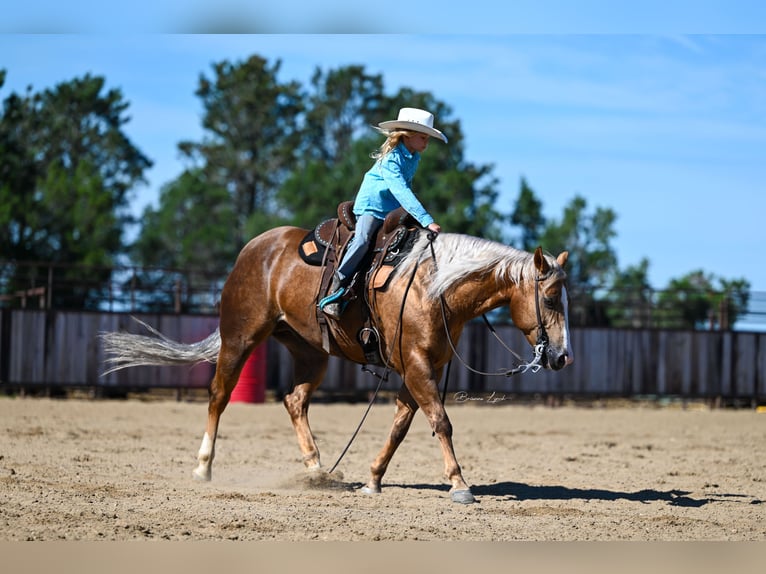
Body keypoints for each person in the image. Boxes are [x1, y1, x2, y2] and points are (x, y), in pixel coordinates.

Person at [319, 107, 446, 319]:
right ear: (408, 136)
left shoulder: (413, 157)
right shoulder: (391, 159)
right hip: (372, 206)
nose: (427, 142)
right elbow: (401, 189)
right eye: (423, 137)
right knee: (363, 240)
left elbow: (405, 187)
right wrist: (427, 220)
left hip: (391, 208)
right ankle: (337, 283)